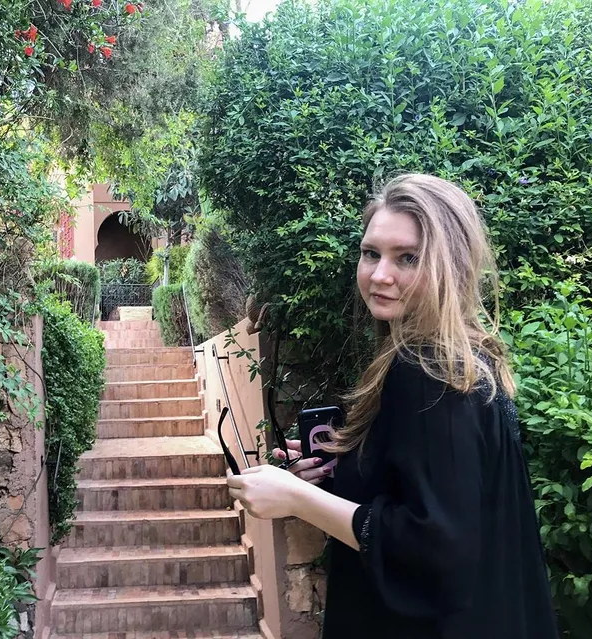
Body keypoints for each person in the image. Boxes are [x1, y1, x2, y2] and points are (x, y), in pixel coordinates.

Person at [227, 173, 559, 639]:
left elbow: (435, 542)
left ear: (451, 266)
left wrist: (298, 499)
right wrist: (343, 470)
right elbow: (444, 497)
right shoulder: (466, 360)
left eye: (408, 258)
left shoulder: (426, 371)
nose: (380, 275)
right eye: (371, 253)